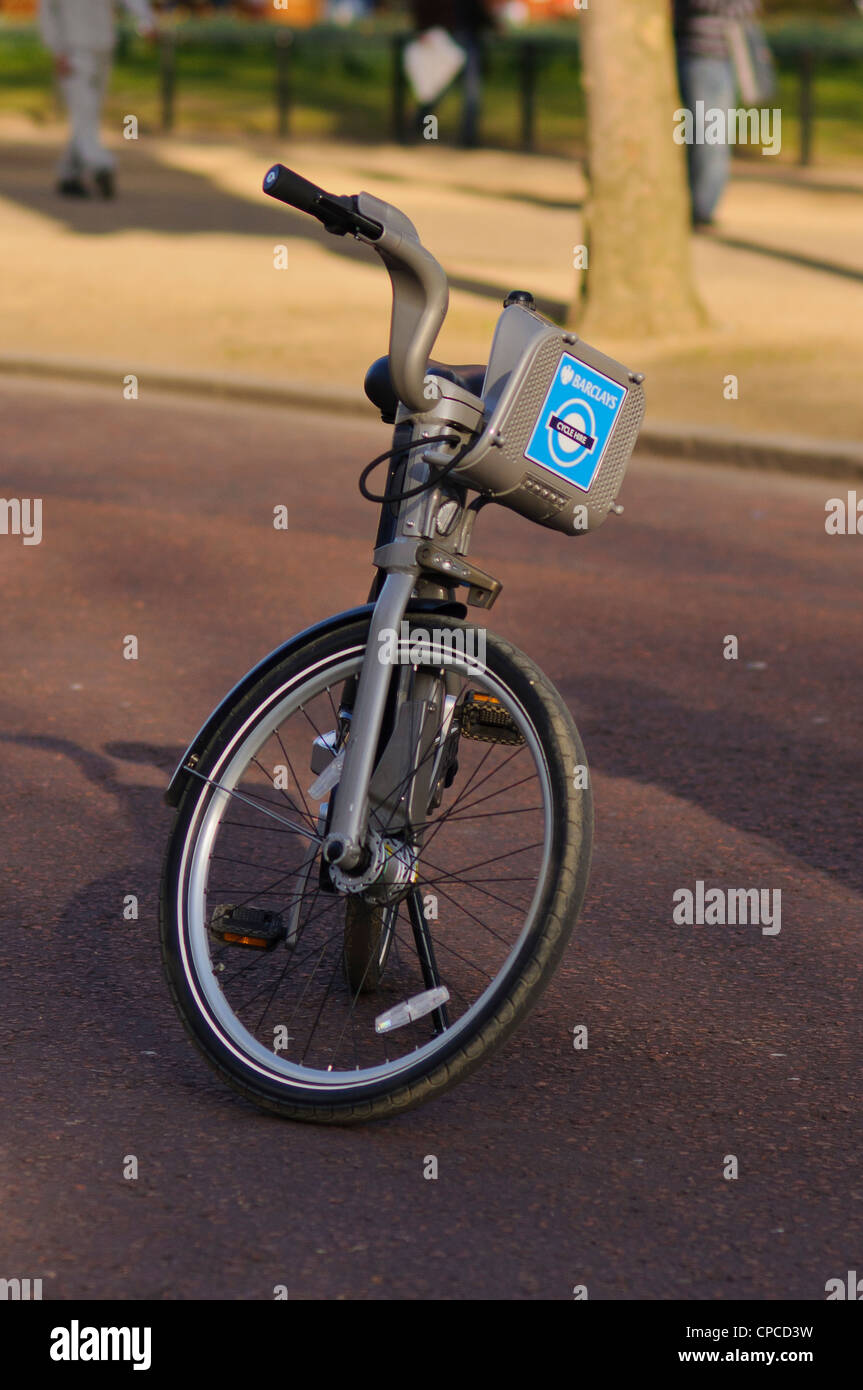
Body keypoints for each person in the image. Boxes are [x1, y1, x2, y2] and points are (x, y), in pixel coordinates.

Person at [39, 0, 157, 199]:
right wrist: (57, 51)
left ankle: (69, 175)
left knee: (90, 113)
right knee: (84, 112)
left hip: (103, 47)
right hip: (73, 50)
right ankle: (101, 165)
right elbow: (47, 13)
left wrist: (147, 20)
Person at [673, 0, 766, 228]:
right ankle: (701, 207)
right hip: (700, 56)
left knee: (713, 135)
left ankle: (703, 205)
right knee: (707, 135)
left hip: (726, 55)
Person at [409, 0, 495, 148]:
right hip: (449, 38)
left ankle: (467, 138)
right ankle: (428, 129)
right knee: (441, 87)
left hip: (459, 36)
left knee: (446, 88)